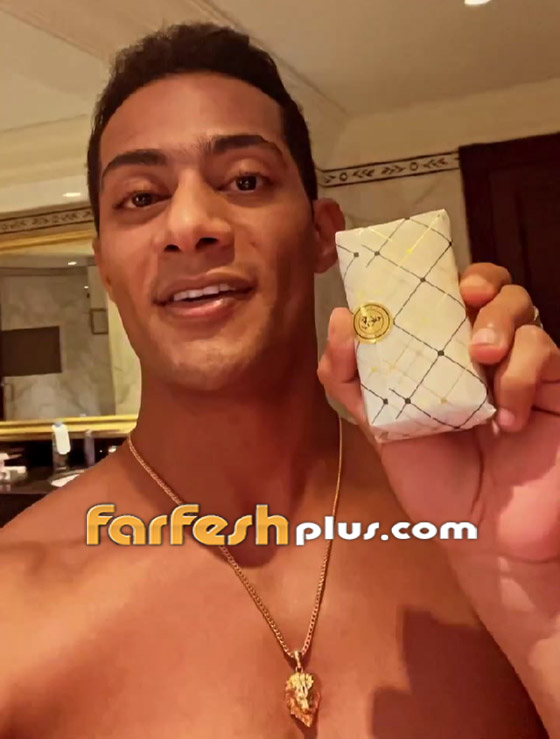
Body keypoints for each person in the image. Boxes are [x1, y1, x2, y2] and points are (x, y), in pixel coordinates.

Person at [0, 23, 558, 738]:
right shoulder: (17, 603)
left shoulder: (479, 527)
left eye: (245, 181)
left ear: (323, 234)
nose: (191, 224)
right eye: (140, 198)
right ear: (105, 265)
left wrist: (539, 595)